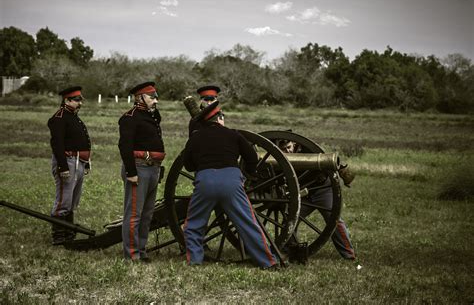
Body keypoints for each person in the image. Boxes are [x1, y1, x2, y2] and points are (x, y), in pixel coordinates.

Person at [182, 107, 278, 269]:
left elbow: (188, 165)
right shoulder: (233, 134)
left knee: (194, 224)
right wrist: (251, 172)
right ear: (219, 118)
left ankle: (195, 261)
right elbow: (251, 157)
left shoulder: (196, 137)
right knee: (248, 224)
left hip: (206, 181)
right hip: (231, 180)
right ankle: (268, 261)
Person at [277, 139, 355, 260]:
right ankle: (289, 250)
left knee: (333, 220)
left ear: (294, 143)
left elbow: (328, 159)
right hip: (303, 195)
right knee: (289, 220)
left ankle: (349, 255)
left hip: (322, 190)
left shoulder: (307, 150)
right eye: (284, 149)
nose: (288, 151)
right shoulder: (278, 159)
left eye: (289, 147)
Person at [118, 81, 165, 262]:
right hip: (139, 167)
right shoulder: (130, 117)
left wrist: (153, 108)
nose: (156, 100)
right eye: (152, 97)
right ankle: (132, 254)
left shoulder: (151, 116)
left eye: (156, 97)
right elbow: (124, 146)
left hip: (153, 168)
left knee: (147, 214)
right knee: (134, 215)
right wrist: (131, 172)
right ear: (139, 98)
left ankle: (141, 250)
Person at [48, 86, 91, 245]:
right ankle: (59, 237)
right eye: (77, 100)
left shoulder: (73, 117)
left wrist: (85, 164)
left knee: (72, 201)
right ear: (67, 100)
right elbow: (57, 144)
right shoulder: (59, 118)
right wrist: (63, 167)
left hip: (78, 162)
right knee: (63, 201)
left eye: (80, 100)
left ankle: (68, 234)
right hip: (68, 162)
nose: (80, 103)